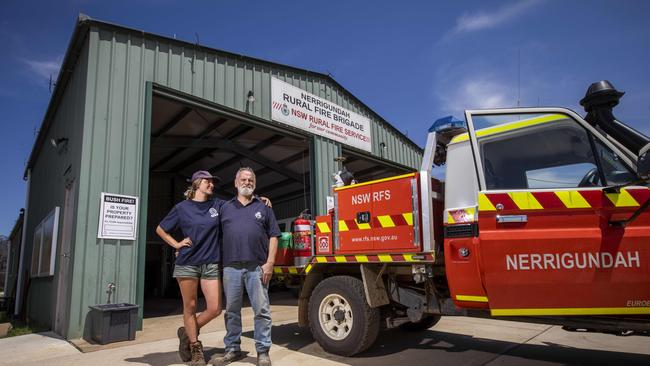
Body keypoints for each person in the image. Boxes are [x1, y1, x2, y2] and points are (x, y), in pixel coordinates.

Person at [156, 170, 223, 366]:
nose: (211, 185)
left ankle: (185, 333)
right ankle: (195, 347)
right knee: (190, 307)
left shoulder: (217, 205)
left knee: (215, 308)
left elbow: (237, 205)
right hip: (187, 263)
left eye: (212, 182)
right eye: (207, 182)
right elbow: (160, 229)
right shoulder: (181, 208)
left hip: (210, 262)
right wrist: (176, 244)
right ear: (196, 184)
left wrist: (257, 199)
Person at [215, 167, 280, 366]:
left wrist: (269, 263)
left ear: (255, 183)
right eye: (243, 179)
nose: (247, 182)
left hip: (257, 267)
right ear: (236, 183)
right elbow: (213, 236)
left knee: (261, 311)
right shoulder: (224, 208)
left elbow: (274, 236)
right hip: (231, 267)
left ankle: (262, 352)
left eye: (250, 180)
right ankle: (233, 349)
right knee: (232, 311)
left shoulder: (264, 206)